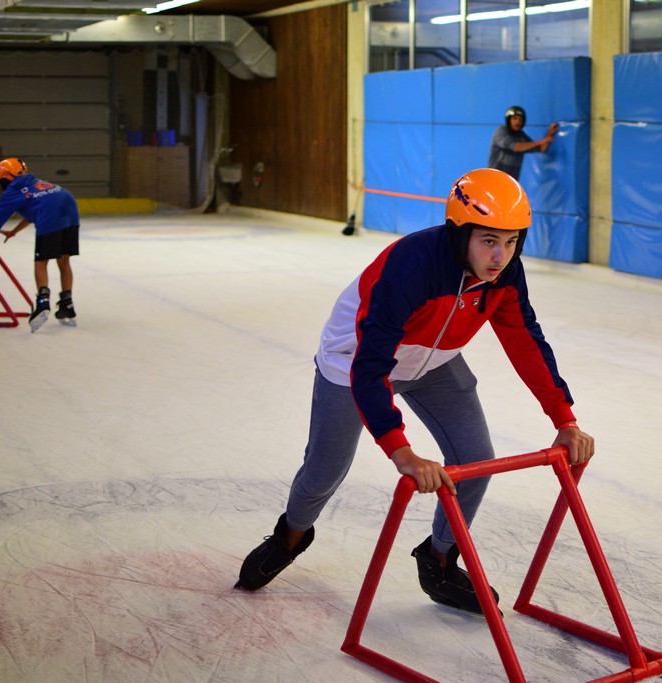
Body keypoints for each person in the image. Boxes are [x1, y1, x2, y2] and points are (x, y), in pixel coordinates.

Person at [235, 168, 594, 615]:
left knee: (476, 462)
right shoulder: (413, 264)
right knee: (325, 469)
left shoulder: (505, 274)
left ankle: (440, 560)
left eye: (511, 241)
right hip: (355, 359)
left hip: (436, 362)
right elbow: (370, 366)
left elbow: (525, 340)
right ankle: (290, 535)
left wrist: (564, 418)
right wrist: (401, 452)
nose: (500, 256)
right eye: (488, 240)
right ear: (458, 232)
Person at [0, 158, 80, 333]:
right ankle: (67, 304)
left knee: (41, 261)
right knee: (64, 261)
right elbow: (37, 208)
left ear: (5, 177)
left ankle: (42, 303)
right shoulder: (36, 183)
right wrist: (14, 231)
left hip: (52, 217)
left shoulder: (14, 191)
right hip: (70, 210)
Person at [487, 105, 559, 181]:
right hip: (493, 179)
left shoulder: (521, 136)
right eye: (514, 119)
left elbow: (541, 148)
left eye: (520, 119)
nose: (518, 122)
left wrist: (549, 134)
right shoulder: (501, 131)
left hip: (511, 183)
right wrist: (541, 141)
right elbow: (516, 147)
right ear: (509, 120)